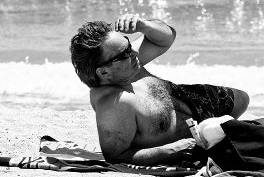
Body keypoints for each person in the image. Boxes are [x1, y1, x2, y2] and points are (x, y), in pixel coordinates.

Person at [69, 13, 249, 166]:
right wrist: (171, 150)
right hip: (195, 136)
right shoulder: (113, 103)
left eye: (129, 45)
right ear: (104, 71)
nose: (132, 53)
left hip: (188, 99)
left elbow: (166, 37)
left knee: (242, 98)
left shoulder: (125, 66)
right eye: (124, 53)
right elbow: (116, 156)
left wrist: (143, 25)